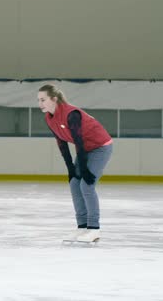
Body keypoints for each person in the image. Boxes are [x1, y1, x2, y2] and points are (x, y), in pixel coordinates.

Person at [37, 84, 113, 242]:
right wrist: (71, 169)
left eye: (43, 99)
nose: (40, 103)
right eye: (38, 100)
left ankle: (94, 229)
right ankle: (82, 227)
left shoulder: (72, 114)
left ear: (54, 99)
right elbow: (62, 143)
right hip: (85, 149)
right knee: (74, 184)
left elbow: (79, 142)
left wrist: (84, 169)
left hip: (100, 148)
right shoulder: (49, 118)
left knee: (86, 185)